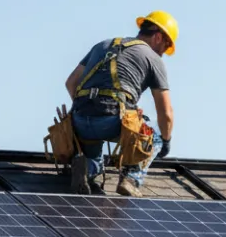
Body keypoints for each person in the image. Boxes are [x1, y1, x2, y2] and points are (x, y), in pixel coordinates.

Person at [64, 11, 177, 197]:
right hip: (113, 120)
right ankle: (131, 178)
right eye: (165, 47)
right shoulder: (153, 59)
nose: (163, 54)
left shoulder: (103, 45)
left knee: (94, 156)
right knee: (155, 136)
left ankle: (88, 170)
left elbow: (71, 83)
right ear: (158, 37)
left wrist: (89, 111)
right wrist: (165, 142)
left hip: (80, 119)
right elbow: (166, 114)